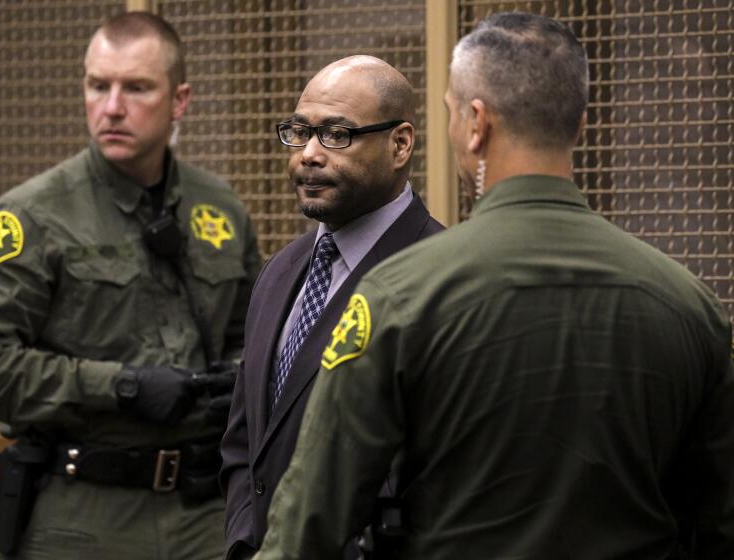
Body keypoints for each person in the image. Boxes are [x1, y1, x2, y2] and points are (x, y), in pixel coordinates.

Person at [253, 12, 734, 560]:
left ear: (476, 124)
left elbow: (313, 515)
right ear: (578, 126)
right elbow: (717, 520)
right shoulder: (689, 305)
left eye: (452, 115)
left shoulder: (404, 293)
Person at [0, 11, 262, 560]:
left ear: (179, 100)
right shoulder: (34, 215)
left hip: (205, 509)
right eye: (98, 86)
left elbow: (251, 338)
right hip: (83, 512)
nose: (112, 107)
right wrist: (121, 386)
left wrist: (233, 386)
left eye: (136, 88)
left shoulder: (221, 208)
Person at [219, 55, 444, 559]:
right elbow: (243, 443)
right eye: (300, 132)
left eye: (337, 134)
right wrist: (244, 543)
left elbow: (435, 472)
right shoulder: (279, 271)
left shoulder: (441, 278)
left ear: (400, 144)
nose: (309, 154)